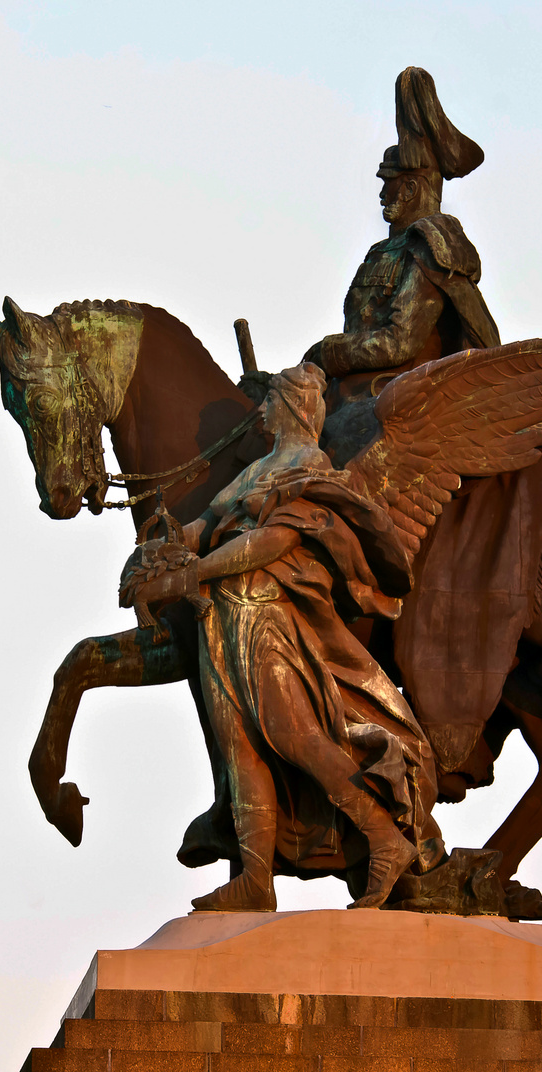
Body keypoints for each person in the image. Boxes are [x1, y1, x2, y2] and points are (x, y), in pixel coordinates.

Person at [122, 364, 445, 911]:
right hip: (221, 618)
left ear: (292, 408)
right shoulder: (260, 468)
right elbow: (207, 522)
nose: (261, 411)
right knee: (239, 749)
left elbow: (271, 543)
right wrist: (164, 544)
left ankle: (385, 836)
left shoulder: (309, 467)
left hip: (267, 617)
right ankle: (255, 879)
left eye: (269, 400)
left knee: (293, 736)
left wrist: (189, 576)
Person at [304, 67, 501, 414]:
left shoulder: (431, 245)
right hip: (357, 392)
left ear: (410, 188)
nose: (381, 193)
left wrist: (326, 353)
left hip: (398, 403)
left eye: (389, 183)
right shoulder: (382, 251)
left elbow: (400, 343)